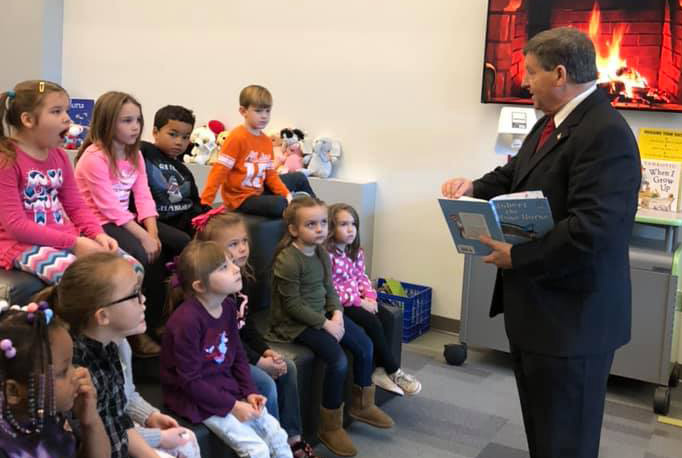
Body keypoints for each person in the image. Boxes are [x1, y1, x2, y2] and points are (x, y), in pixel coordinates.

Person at [441, 27, 640, 458]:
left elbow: (593, 229)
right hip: (539, 314)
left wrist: (519, 256)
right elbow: (515, 175)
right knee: (544, 431)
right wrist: (473, 186)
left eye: (531, 72)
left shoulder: (605, 133)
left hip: (573, 322)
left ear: (560, 74)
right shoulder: (551, 122)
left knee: (567, 440)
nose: (525, 82)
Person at [266, 196, 393, 457]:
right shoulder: (288, 259)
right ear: (294, 230)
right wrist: (325, 324)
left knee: (365, 345)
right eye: (311, 224)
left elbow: (329, 289)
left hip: (323, 314)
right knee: (338, 361)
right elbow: (292, 305)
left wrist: (336, 314)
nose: (320, 229)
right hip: (294, 324)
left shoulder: (322, 253)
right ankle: (330, 426)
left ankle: (362, 404)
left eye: (323, 223)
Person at [194, 208, 317, 458]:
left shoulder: (242, 279)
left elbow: (247, 327)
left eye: (244, 241)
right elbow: (228, 341)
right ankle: (270, 445)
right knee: (265, 384)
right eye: (233, 244)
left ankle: (292, 439)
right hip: (222, 360)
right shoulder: (216, 293)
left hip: (242, 353)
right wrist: (259, 361)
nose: (242, 248)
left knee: (288, 367)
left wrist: (266, 351)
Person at [53, 252, 198, 458]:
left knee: (187, 440)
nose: (143, 300)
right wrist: (157, 441)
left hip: (120, 441)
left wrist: (150, 417)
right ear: (103, 316)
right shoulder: (81, 370)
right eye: (134, 295)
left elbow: (119, 414)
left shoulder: (113, 344)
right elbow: (107, 439)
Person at [162, 240, 292, 458]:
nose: (235, 269)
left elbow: (238, 354)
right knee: (256, 448)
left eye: (231, 262)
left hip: (224, 386)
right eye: (223, 267)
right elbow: (190, 382)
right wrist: (233, 406)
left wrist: (250, 391)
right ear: (200, 286)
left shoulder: (229, 306)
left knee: (276, 433)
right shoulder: (186, 322)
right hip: (195, 398)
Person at [74, 91, 175, 357]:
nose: (135, 127)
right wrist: (143, 237)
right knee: (141, 254)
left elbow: (143, 195)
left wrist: (152, 231)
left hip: (122, 219)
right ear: (108, 123)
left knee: (170, 246)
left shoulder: (135, 155)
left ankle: (157, 320)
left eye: (138, 120)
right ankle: (137, 334)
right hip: (96, 223)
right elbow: (109, 208)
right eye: (127, 121)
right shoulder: (94, 158)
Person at [0, 80, 119, 285]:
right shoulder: (6, 161)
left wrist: (97, 234)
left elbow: (76, 206)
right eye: (56, 111)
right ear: (28, 119)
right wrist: (74, 243)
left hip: (62, 237)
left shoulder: (60, 155)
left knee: (129, 268)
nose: (67, 119)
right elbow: (16, 226)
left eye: (66, 111)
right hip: (20, 244)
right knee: (91, 281)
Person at [326, 203, 421, 396]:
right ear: (331, 228)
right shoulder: (327, 255)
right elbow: (331, 289)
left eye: (353, 224)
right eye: (343, 224)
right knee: (372, 322)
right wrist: (360, 302)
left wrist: (370, 297)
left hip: (359, 298)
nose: (350, 229)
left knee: (387, 317)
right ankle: (394, 370)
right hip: (341, 304)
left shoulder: (356, 252)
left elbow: (361, 277)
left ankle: (380, 369)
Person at [0, 302, 110, 458]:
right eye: (63, 372)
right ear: (13, 391)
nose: (76, 374)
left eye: (72, 363)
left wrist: (90, 422)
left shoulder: (49, 415)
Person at [200, 85, 315, 217]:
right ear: (243, 111)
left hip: (259, 191)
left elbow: (270, 175)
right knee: (280, 204)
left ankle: (318, 214)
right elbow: (219, 171)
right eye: (258, 111)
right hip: (240, 199)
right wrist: (205, 202)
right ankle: (299, 210)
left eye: (267, 111)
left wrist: (286, 194)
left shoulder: (266, 141)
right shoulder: (236, 137)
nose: (264, 116)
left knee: (299, 178)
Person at [141, 105, 212, 238]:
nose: (179, 142)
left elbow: (195, 203)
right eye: (173, 135)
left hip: (184, 219)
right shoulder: (144, 151)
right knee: (182, 240)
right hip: (155, 220)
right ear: (155, 132)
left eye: (185, 137)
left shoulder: (184, 171)